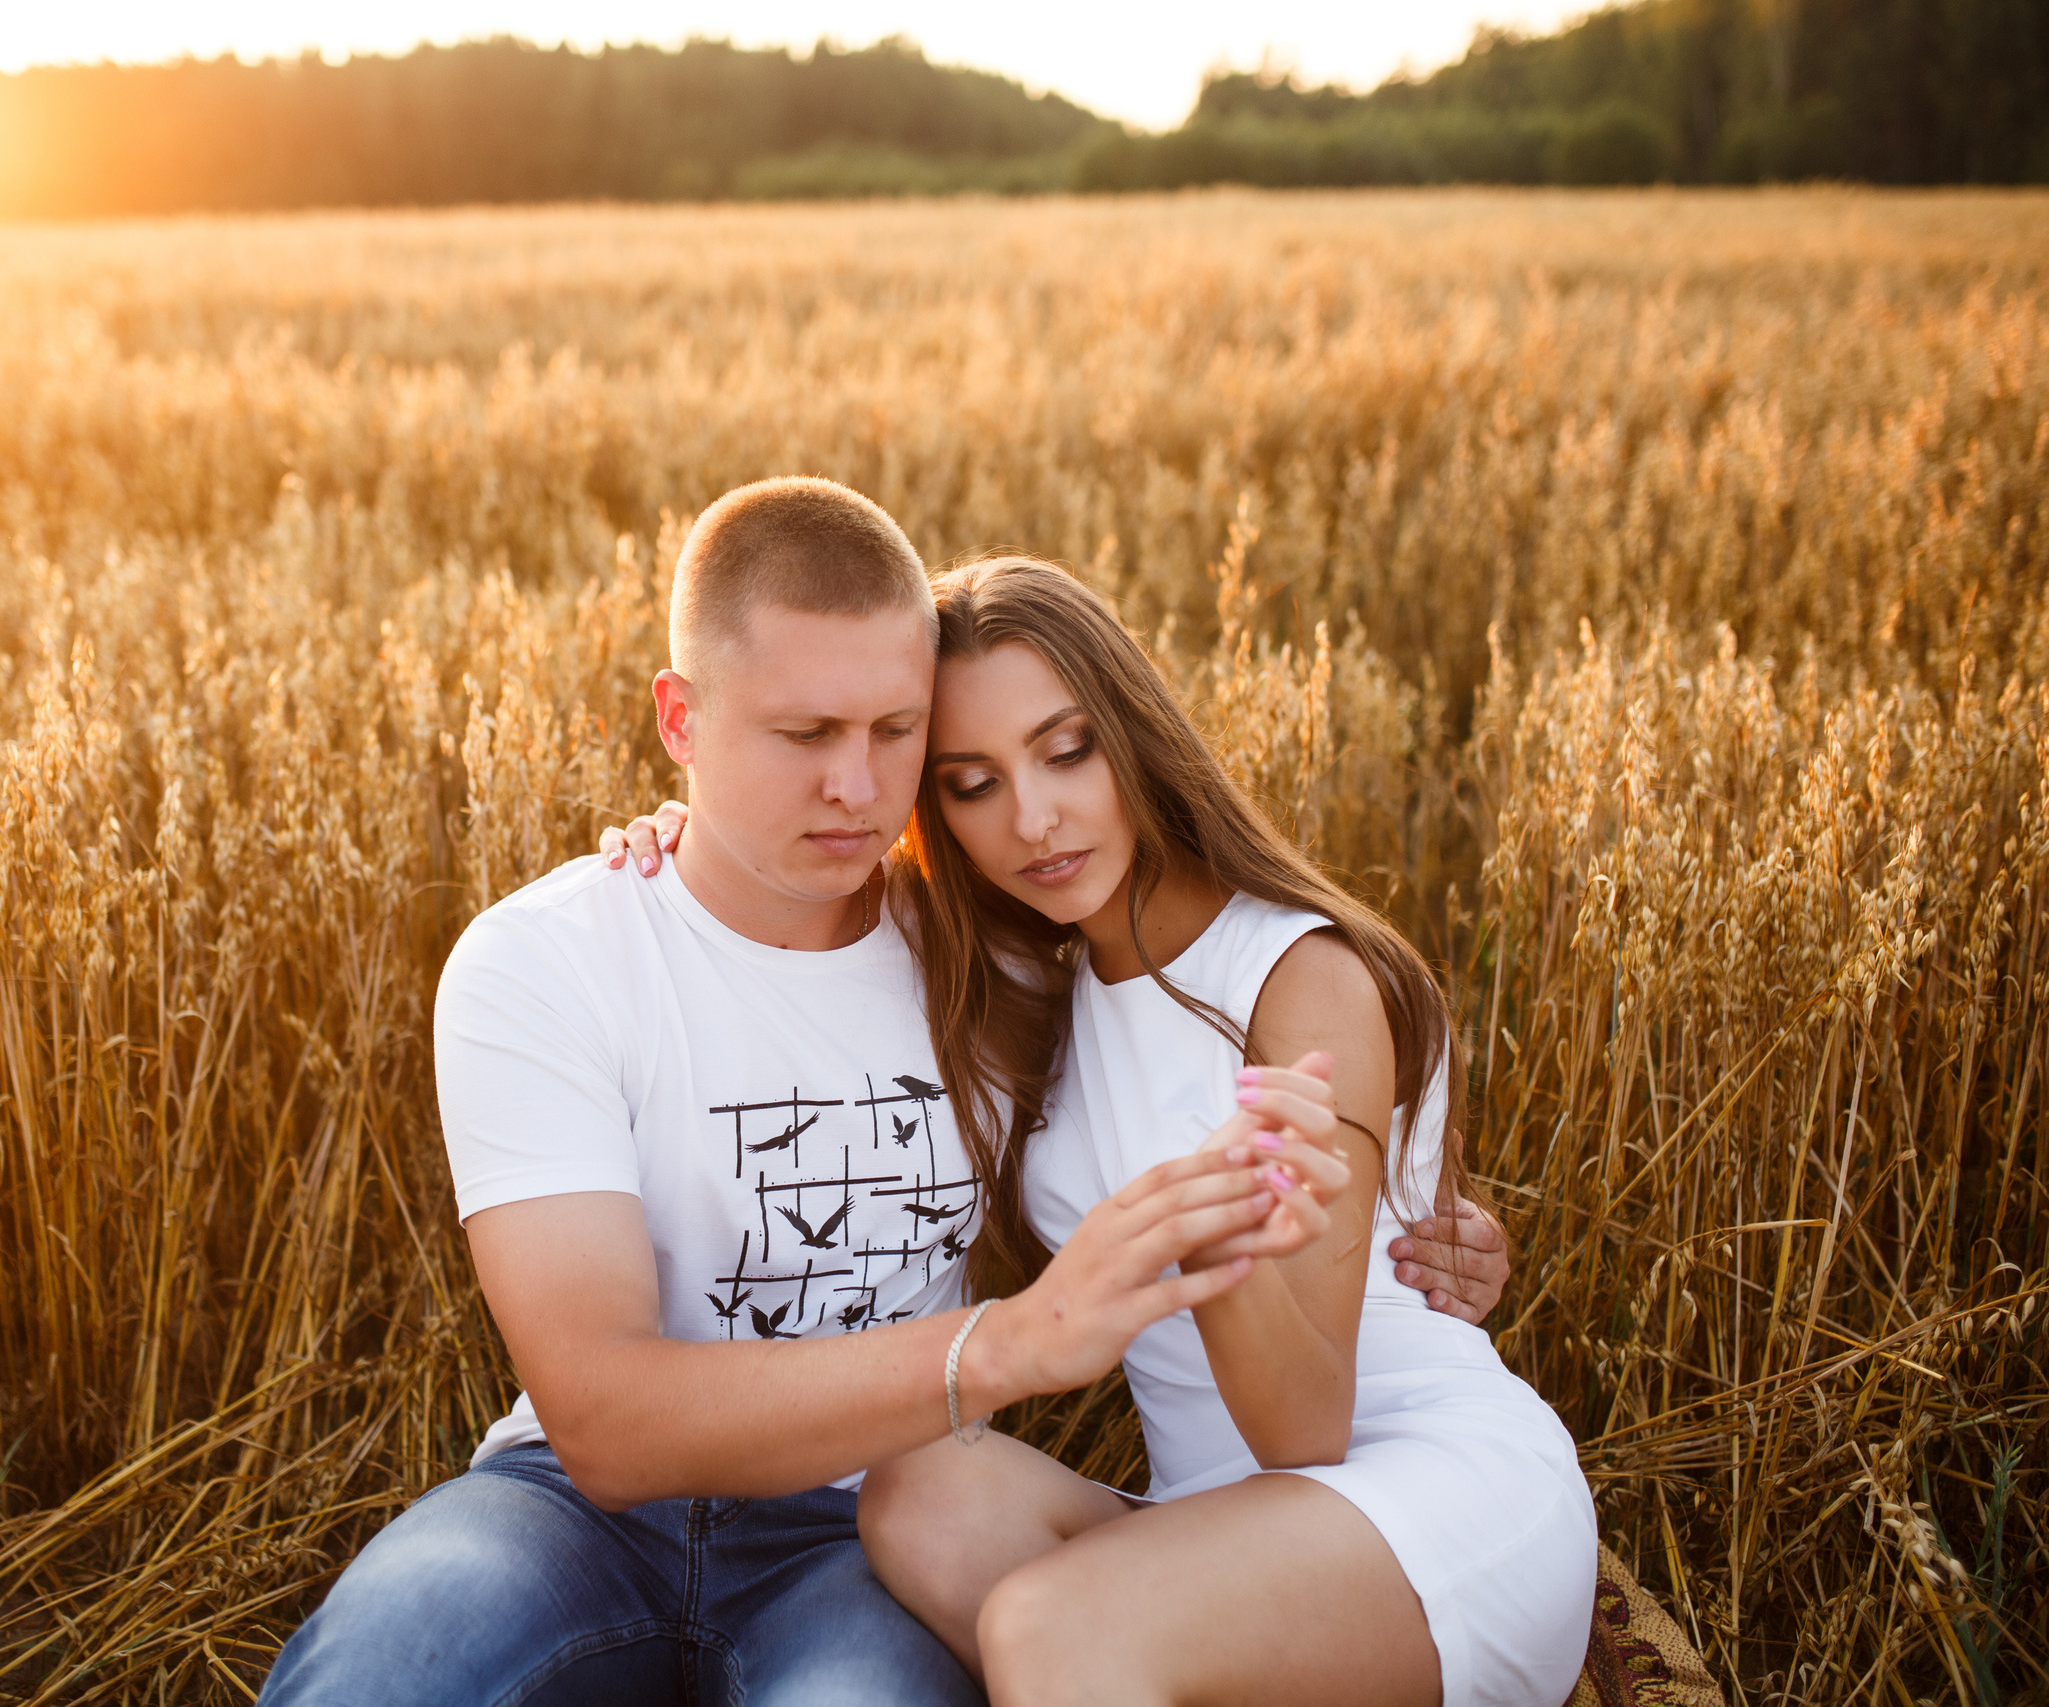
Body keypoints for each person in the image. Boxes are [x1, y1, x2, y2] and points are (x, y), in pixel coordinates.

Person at [258, 480, 1509, 1706]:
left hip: (869, 1533)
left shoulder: (1008, 956)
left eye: (896, 734)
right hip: (567, 1514)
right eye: (801, 736)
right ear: (679, 721)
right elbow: (604, 1420)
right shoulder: (543, 960)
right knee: (378, 1675)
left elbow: (1197, 1049)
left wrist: (1425, 1225)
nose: (856, 790)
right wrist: (1007, 1343)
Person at [610, 555, 1594, 1706]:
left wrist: (1210, 1234)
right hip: (1214, 1522)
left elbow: (1303, 1428)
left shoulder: (1295, 975)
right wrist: (701, 837)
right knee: (915, 1492)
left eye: (1066, 751)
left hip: (1410, 1484)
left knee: (1050, 1627)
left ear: (1132, 734)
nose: (1032, 819)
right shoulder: (1032, 980)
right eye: (970, 783)